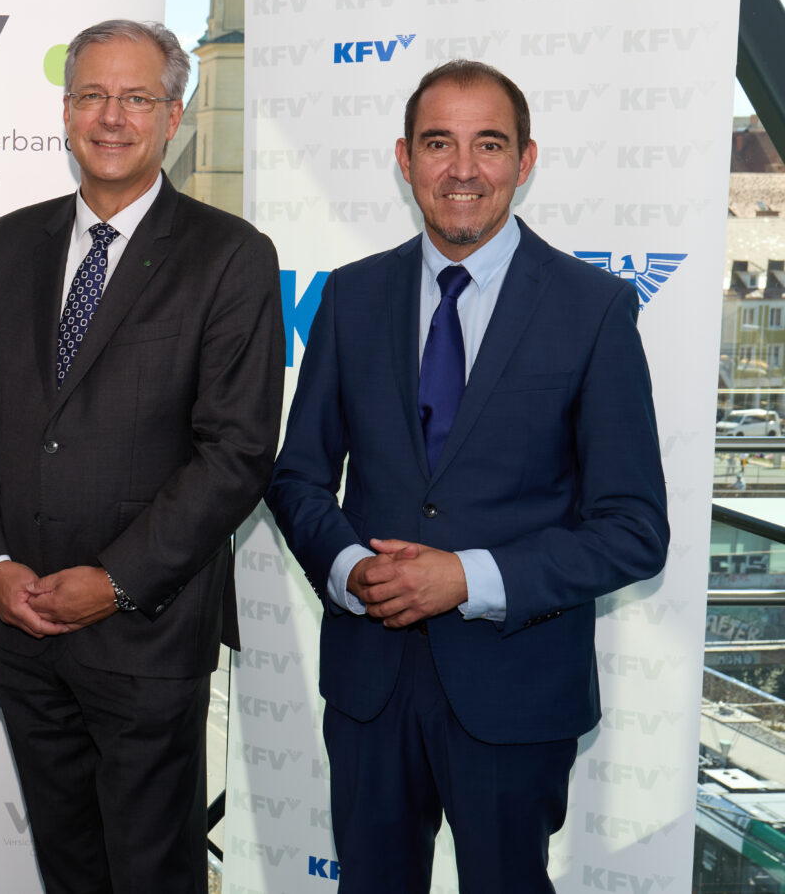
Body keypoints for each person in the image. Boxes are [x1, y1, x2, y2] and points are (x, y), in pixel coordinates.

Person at [264, 60, 668, 893]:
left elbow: (633, 526)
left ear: (524, 161)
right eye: (438, 142)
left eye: (488, 144)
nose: (462, 168)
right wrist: (350, 570)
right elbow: (298, 475)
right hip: (369, 682)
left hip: (514, 686)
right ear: (405, 159)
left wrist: (466, 577)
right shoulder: (349, 295)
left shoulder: (593, 309)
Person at [0, 18, 284, 893]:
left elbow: (236, 451)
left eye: (137, 97)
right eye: (93, 94)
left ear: (173, 114)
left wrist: (116, 578)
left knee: (153, 874)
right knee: (69, 869)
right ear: (65, 111)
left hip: (146, 635)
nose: (112, 116)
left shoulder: (231, 257)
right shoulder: (7, 243)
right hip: (23, 626)